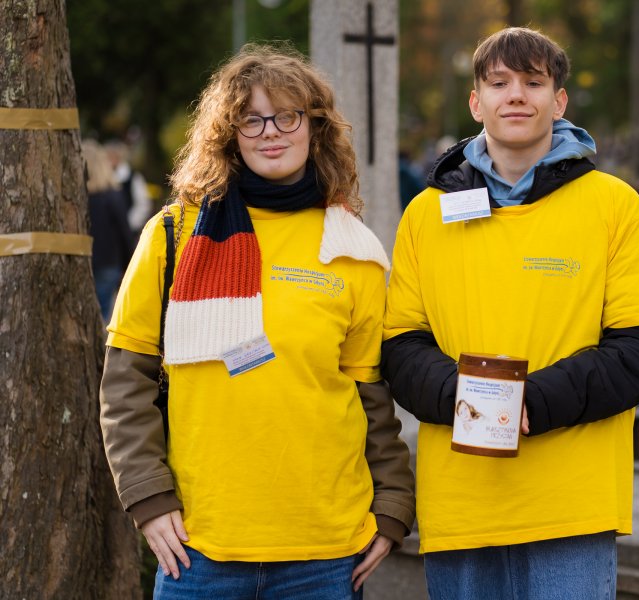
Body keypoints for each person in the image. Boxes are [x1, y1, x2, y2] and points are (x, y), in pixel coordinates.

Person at [99, 43, 415, 599]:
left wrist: (391, 507)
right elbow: (126, 380)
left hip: (326, 551)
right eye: (251, 119)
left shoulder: (352, 250)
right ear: (229, 133)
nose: (271, 132)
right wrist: (147, 497)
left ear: (314, 127)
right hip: (200, 547)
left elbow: (369, 395)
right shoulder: (173, 236)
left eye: (287, 115)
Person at [381, 27, 639, 599]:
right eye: (499, 83)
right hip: (461, 507)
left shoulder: (614, 206)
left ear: (558, 101)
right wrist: (469, 400)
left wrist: (528, 403)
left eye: (533, 82)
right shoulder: (426, 214)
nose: (516, 95)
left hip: (571, 509)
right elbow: (400, 346)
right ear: (476, 102)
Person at [83, 138, 134, 322]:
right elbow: (124, 232)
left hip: (81, 259)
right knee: (102, 314)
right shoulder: (113, 195)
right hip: (109, 263)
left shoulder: (76, 197)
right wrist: (129, 264)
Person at [105, 138, 154, 237]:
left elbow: (143, 204)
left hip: (128, 232)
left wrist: (128, 224)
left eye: (113, 156)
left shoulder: (133, 177)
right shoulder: (104, 178)